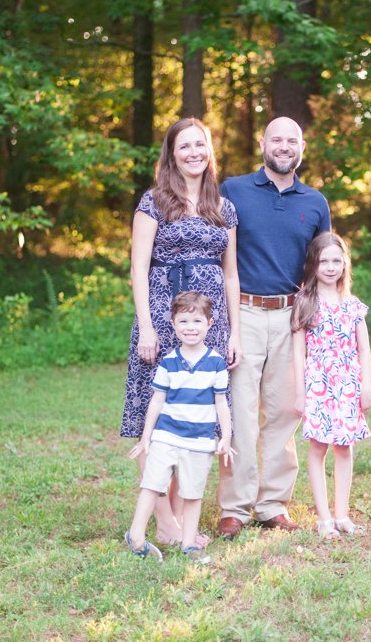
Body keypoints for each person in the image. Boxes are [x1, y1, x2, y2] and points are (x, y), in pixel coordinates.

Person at [120, 118, 241, 548]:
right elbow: (138, 267)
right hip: (162, 312)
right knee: (156, 412)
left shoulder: (222, 207)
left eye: (201, 145)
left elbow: (231, 275)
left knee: (192, 415)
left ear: (210, 150)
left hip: (210, 323)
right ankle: (167, 523)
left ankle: (171, 519)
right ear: (171, 153)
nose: (194, 152)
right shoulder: (153, 202)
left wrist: (234, 333)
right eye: (185, 146)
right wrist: (148, 327)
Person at [215, 116, 331, 539]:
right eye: (276, 139)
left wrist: (319, 317)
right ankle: (235, 507)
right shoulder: (234, 190)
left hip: (291, 317)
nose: (284, 146)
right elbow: (215, 252)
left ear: (302, 147)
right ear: (262, 143)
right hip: (242, 313)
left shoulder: (315, 202)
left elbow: (323, 267)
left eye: (292, 140)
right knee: (240, 414)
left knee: (285, 412)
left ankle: (272, 504)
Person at [125, 292, 234, 562]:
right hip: (166, 437)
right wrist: (146, 438)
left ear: (209, 324)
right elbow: (156, 401)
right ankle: (136, 536)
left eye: (197, 321)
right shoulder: (169, 362)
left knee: (193, 493)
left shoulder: (216, 363)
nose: (190, 328)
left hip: (199, 441)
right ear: (173, 324)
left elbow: (222, 403)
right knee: (152, 485)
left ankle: (189, 543)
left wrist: (226, 437)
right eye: (183, 321)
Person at [290, 233, 371, 539]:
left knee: (344, 446)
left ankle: (342, 514)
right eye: (324, 261)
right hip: (318, 383)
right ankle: (323, 517)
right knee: (318, 446)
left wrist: (366, 387)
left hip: (348, 383)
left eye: (336, 260)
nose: (330, 266)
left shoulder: (353, 305)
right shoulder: (305, 302)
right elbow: (299, 351)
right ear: (313, 264)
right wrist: (300, 393)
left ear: (344, 264)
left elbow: (364, 350)